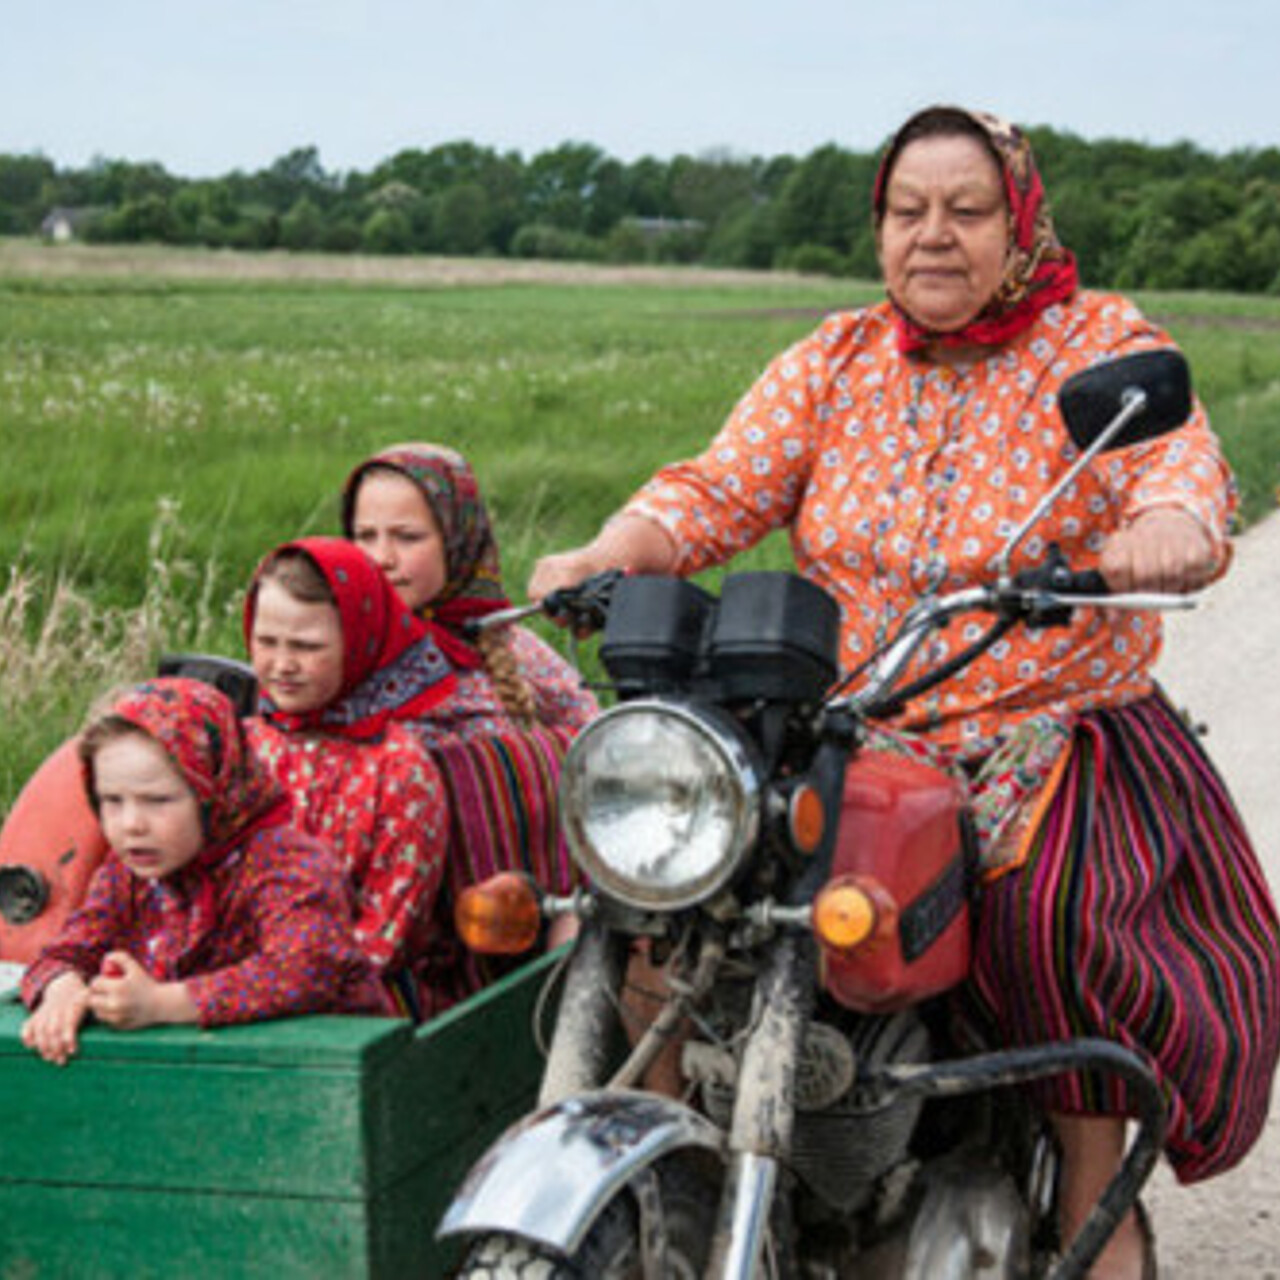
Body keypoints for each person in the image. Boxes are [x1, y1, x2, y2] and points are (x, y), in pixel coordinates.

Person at [529, 104, 1280, 1279]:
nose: (932, 235)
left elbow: (1174, 469)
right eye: (905, 210)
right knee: (666, 881)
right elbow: (718, 485)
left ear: (1015, 222)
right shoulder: (834, 359)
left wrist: (1167, 532)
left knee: (1053, 918)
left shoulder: (1094, 342)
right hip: (849, 719)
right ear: (877, 225)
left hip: (1038, 723)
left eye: (964, 210)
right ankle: (675, 1168)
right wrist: (604, 551)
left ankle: (1093, 1205)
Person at [20, 677, 388, 1065]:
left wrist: (163, 1003)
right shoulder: (124, 876)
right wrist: (61, 988)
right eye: (112, 800)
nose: (131, 824)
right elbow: (65, 950)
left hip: (328, 1077)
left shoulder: (288, 866)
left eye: (157, 800)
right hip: (208, 1075)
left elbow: (304, 969)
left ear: (215, 788)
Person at [243, 536, 473, 1020]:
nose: (282, 665)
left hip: (352, 1005)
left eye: (307, 647)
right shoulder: (242, 749)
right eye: (266, 642)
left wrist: (264, 992)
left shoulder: (399, 771)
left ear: (360, 639)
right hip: (232, 985)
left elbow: (384, 938)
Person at [340, 442, 598, 746]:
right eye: (365, 536)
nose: (382, 557)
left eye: (407, 537)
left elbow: (599, 751)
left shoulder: (519, 654)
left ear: (459, 539)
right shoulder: (332, 650)